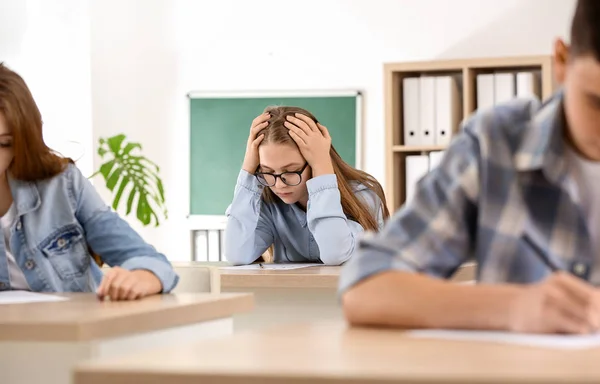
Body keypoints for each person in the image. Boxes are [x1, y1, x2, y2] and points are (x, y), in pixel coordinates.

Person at [340, 0, 600, 335]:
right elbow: (366, 288)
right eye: (596, 102)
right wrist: (515, 306)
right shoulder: (495, 143)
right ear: (561, 60)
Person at [0, 63, 178, 300]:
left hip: (73, 332)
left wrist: (143, 276)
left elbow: (149, 261)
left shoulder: (63, 185)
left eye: (4, 144)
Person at [225, 106, 389, 266]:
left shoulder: (362, 194)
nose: (279, 184)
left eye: (291, 171)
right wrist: (248, 169)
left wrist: (322, 165)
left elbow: (335, 253)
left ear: (313, 163)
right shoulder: (269, 203)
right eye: (267, 171)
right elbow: (236, 254)